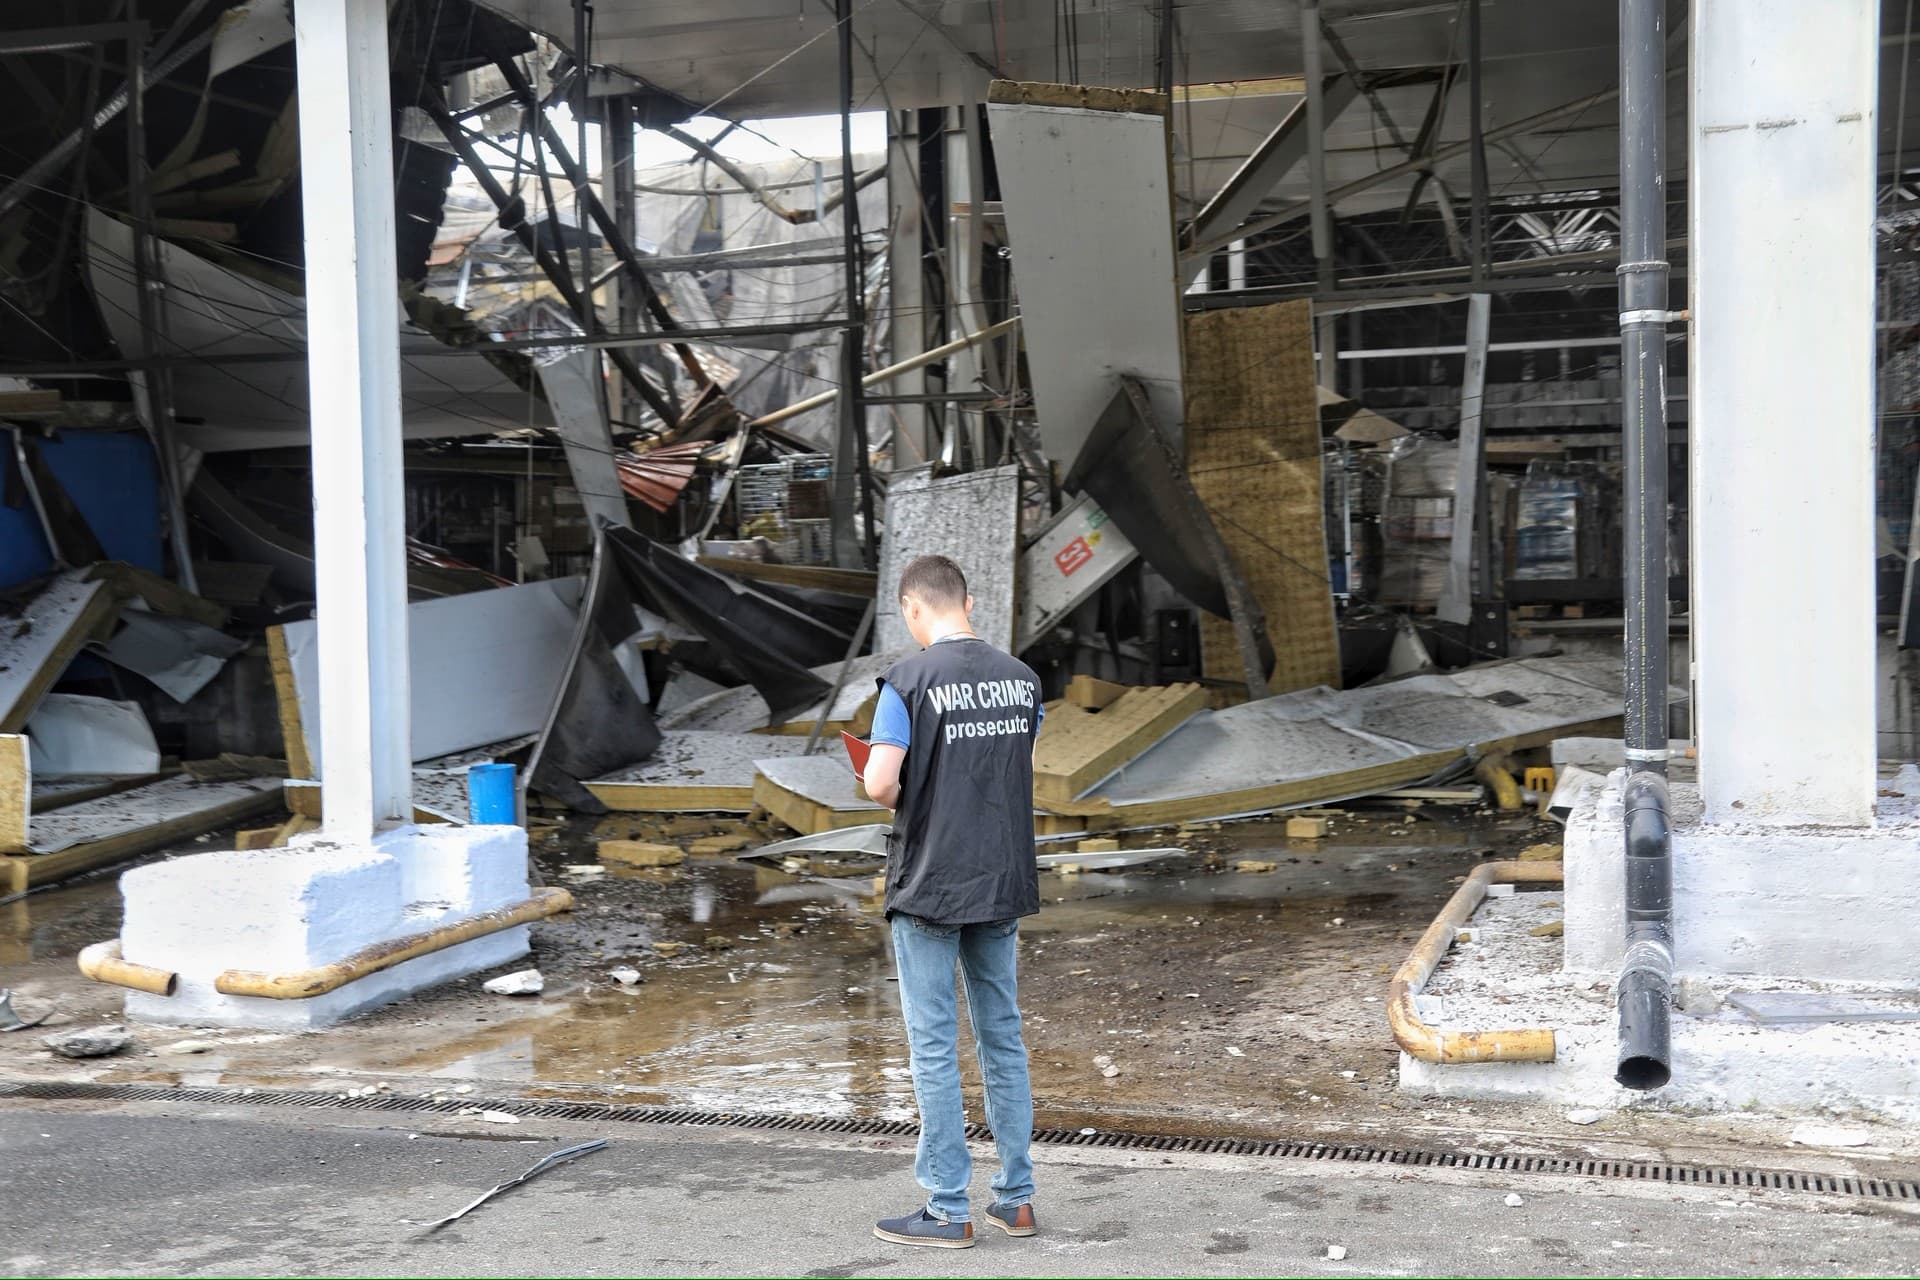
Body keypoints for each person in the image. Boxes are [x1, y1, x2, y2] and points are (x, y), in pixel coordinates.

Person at [859, 553, 1044, 1250]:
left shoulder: (906, 682)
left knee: (934, 1045)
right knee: (1003, 1034)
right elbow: (1009, 767)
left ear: (912, 609)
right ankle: (1016, 1199)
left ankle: (945, 1208)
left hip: (932, 882)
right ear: (969, 602)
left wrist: (917, 793)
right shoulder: (1023, 682)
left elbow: (881, 785)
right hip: (1001, 879)